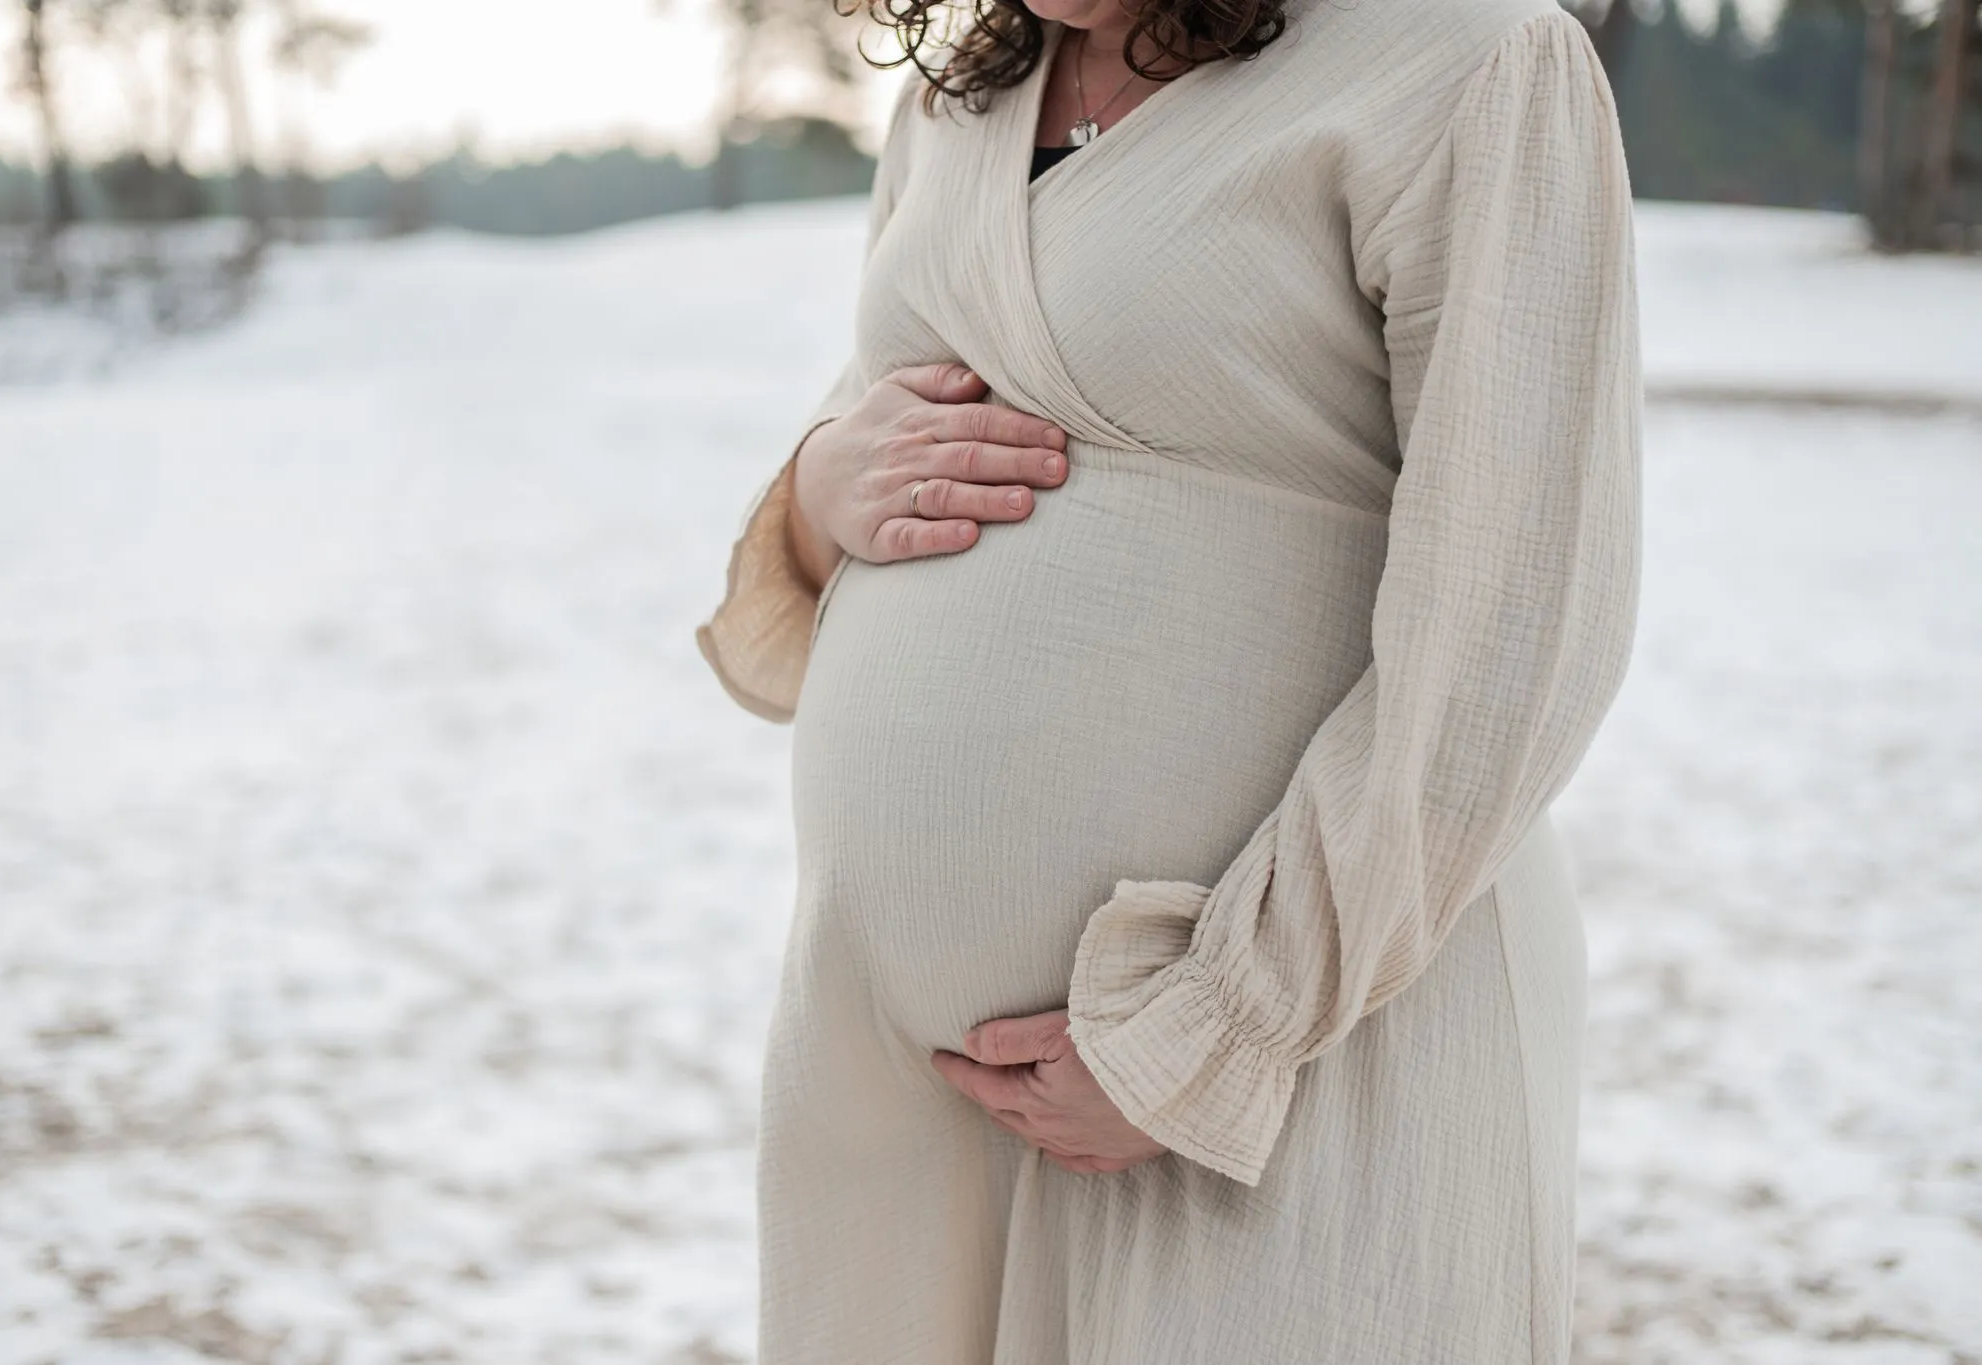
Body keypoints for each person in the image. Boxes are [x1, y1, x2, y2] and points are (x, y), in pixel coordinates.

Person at [693, 0, 1643, 1355]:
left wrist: (1203, 1040)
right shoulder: (960, 104)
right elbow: (886, 439)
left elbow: (1515, 624)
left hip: (1293, 1046)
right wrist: (818, 490)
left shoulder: (1469, 58)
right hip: (915, 1108)